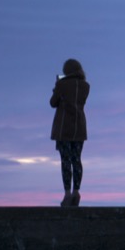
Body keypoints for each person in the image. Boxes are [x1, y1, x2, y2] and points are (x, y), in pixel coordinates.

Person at [50, 59, 90, 207]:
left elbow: (53, 103)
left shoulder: (61, 85)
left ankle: (67, 194)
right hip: (79, 127)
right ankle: (76, 192)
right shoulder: (85, 86)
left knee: (66, 160)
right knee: (77, 160)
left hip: (63, 128)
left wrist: (56, 87)